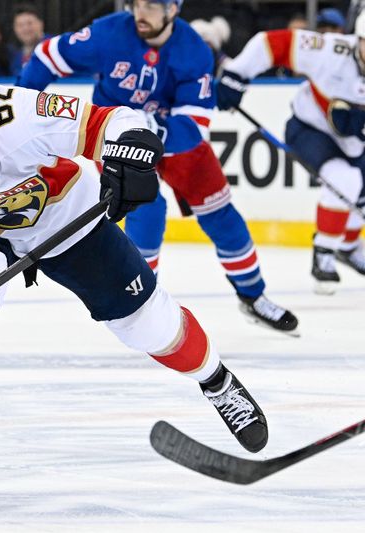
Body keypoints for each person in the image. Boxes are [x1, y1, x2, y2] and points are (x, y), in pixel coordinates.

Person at [0, 38, 269, 479]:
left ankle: (217, 382)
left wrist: (134, 150)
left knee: (149, 324)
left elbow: (112, 121)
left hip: (68, 218)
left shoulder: (21, 112)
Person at [17, 0, 299, 335]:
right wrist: (23, 108)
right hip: (116, 134)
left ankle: (253, 295)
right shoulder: (110, 32)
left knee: (220, 213)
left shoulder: (193, 49)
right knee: (147, 208)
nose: (140, 13)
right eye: (136, 3)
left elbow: (192, 128)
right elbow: (48, 55)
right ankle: (141, 300)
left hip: (174, 138)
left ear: (173, 9)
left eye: (151, 5)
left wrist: (149, 124)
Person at [216, 11, 365, 295]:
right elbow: (271, 43)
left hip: (355, 140)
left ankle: (348, 245)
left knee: (360, 191)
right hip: (311, 128)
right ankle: (325, 252)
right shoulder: (330, 51)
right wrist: (236, 75)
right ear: (357, 40)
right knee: (344, 179)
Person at [10, 4, 46, 76]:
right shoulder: (13, 55)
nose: (25, 28)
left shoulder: (54, 47)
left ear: (41, 24)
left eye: (29, 23)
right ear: (14, 29)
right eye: (20, 25)